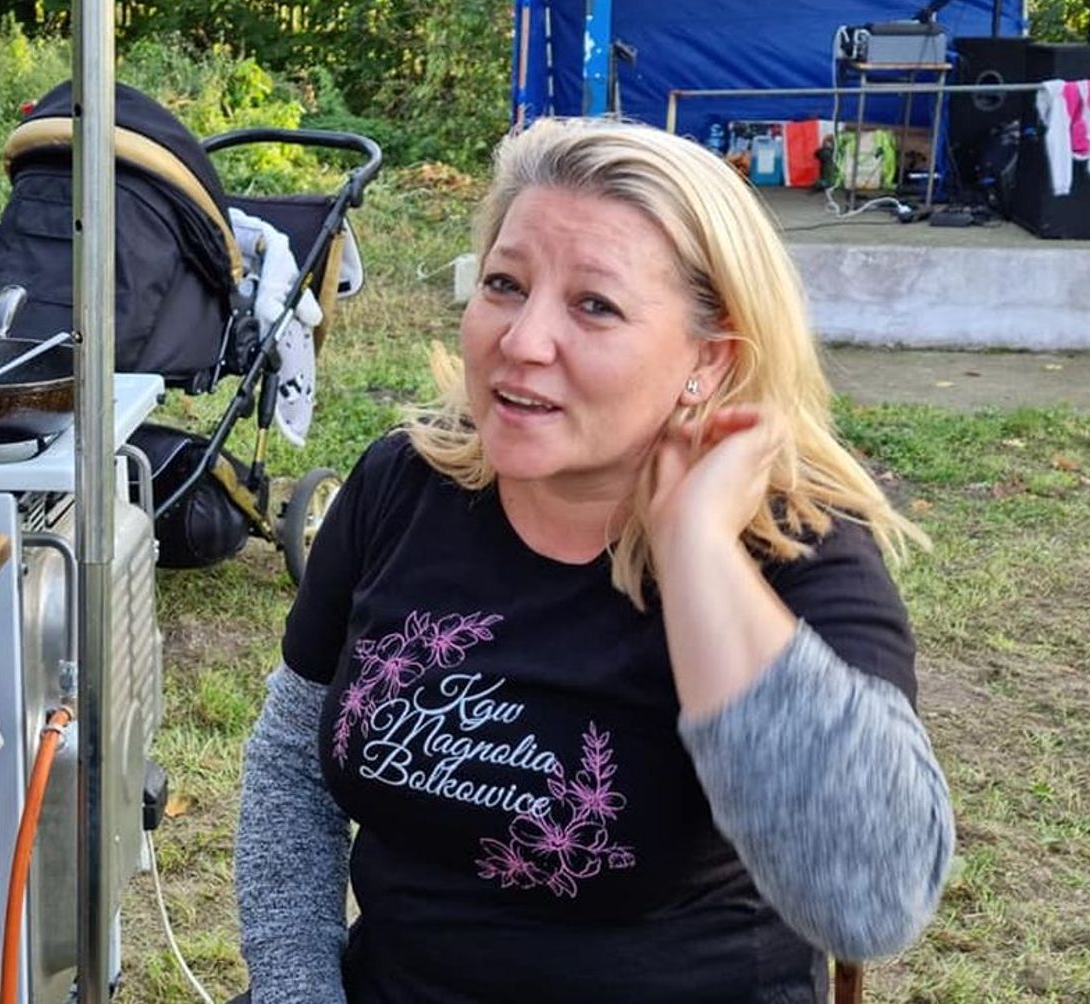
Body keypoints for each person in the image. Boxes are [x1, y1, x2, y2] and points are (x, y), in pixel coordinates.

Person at [234, 117, 955, 1003]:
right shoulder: (404, 485)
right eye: (505, 284)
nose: (523, 341)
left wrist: (695, 552)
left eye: (595, 305)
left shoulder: (791, 550)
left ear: (709, 358)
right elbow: (294, 761)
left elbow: (871, 903)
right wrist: (298, 991)